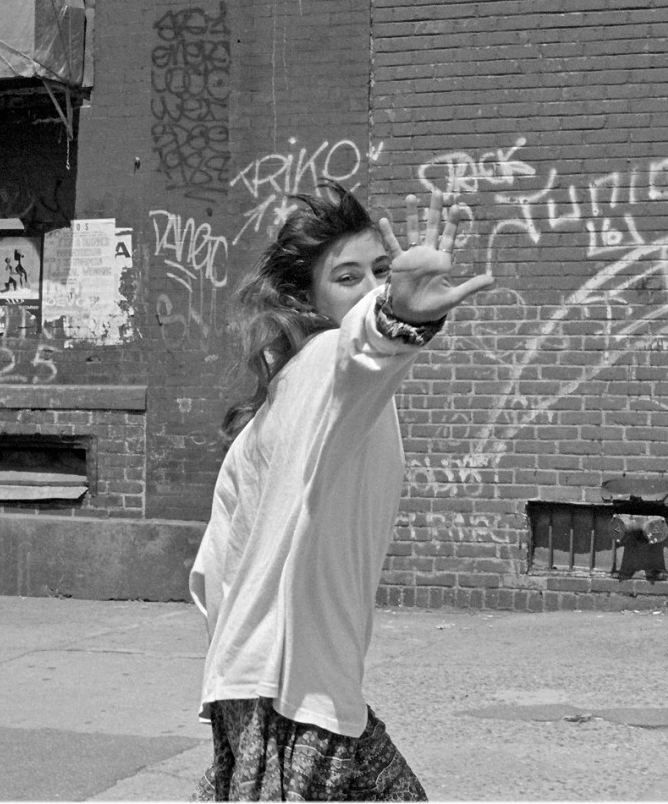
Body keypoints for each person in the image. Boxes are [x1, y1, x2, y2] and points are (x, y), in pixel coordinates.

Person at [189, 180, 493, 800]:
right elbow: (363, 347)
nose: (374, 286)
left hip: (265, 684)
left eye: (380, 270)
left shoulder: (280, 399)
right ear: (308, 299)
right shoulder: (328, 363)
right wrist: (402, 315)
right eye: (347, 278)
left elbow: (213, 572)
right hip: (293, 694)